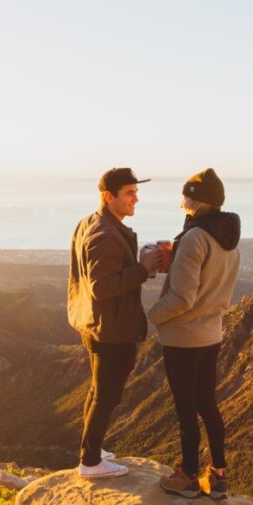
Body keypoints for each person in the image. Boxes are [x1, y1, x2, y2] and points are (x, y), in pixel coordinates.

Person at [147, 168, 240, 499]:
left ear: (196, 202)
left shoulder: (194, 238)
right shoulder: (227, 240)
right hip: (211, 334)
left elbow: (183, 298)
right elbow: (211, 286)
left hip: (184, 338)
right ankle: (218, 476)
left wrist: (152, 317)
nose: (182, 200)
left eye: (186, 195)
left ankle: (186, 476)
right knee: (207, 406)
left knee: (186, 409)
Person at [68, 167, 163, 478]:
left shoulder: (91, 224)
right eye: (130, 193)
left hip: (96, 324)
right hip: (111, 329)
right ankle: (91, 462)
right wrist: (144, 267)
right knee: (106, 395)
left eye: (136, 191)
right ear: (110, 197)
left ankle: (90, 450)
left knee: (98, 392)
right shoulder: (105, 234)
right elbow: (102, 287)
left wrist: (141, 265)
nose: (137, 198)